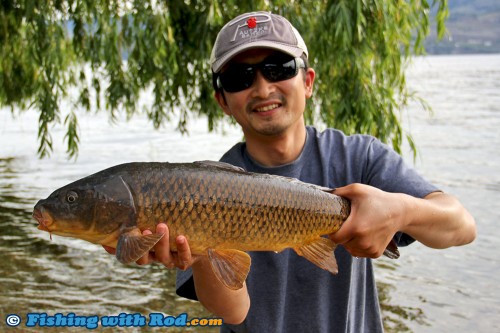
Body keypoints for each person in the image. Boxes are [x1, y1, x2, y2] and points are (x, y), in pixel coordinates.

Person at [107, 11, 476, 332]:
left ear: (309, 82)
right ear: (222, 100)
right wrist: (201, 254)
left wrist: (400, 211)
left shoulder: (359, 158)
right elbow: (235, 313)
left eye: (278, 68)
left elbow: (461, 227)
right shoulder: (203, 186)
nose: (263, 87)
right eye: (240, 78)